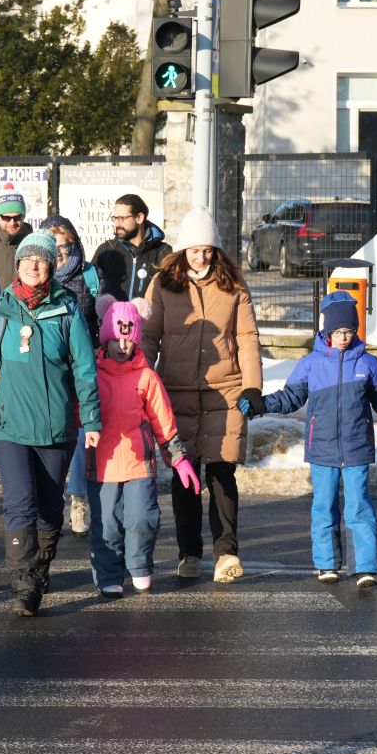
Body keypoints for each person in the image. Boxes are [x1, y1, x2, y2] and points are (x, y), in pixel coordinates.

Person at [0, 232, 101, 617]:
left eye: (42, 261)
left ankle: (40, 566)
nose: (33, 266)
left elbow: (84, 368)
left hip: (54, 426)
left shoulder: (67, 310)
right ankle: (24, 585)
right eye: (27, 259)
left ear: (52, 267)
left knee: (49, 508)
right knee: (19, 505)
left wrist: (92, 418)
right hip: (7, 424)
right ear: (17, 266)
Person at [244, 291, 377, 589]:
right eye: (337, 331)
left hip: (357, 448)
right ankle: (327, 564)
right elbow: (291, 397)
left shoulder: (369, 364)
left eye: (348, 331)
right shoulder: (311, 364)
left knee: (359, 507)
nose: (343, 337)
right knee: (324, 506)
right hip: (322, 448)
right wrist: (262, 404)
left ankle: (365, 567)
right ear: (326, 331)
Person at [140, 207, 261, 584]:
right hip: (175, 391)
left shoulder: (234, 287)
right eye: (194, 249)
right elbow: (147, 338)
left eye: (208, 249)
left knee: (222, 472)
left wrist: (253, 386)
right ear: (183, 250)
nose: (201, 256)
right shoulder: (162, 284)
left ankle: (226, 553)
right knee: (185, 474)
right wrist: (139, 383)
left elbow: (246, 339)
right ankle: (188, 552)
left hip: (224, 391)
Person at [89, 295, 199, 597]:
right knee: (107, 524)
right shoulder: (93, 376)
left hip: (140, 463)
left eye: (128, 339)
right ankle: (110, 572)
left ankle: (139, 565)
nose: (122, 346)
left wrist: (178, 459)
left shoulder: (147, 377)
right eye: (117, 339)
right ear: (106, 337)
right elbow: (79, 414)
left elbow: (164, 421)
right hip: (102, 464)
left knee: (142, 519)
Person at [42, 215, 103, 539]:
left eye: (65, 246)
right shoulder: (39, 276)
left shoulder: (89, 275)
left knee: (79, 437)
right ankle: (50, 498)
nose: (60, 252)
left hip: (82, 364)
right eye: (54, 246)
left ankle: (78, 500)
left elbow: (104, 317)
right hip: (48, 369)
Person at [92, 193, 171, 301]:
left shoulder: (162, 252)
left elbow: (171, 295)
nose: (116, 224)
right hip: (110, 318)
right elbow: (90, 289)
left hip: (149, 318)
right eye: (115, 218)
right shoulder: (106, 250)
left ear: (139, 218)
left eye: (121, 218)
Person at [0, 190, 32, 289]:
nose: (12, 222)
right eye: (6, 218)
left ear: (24, 216)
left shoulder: (33, 243)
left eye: (17, 217)